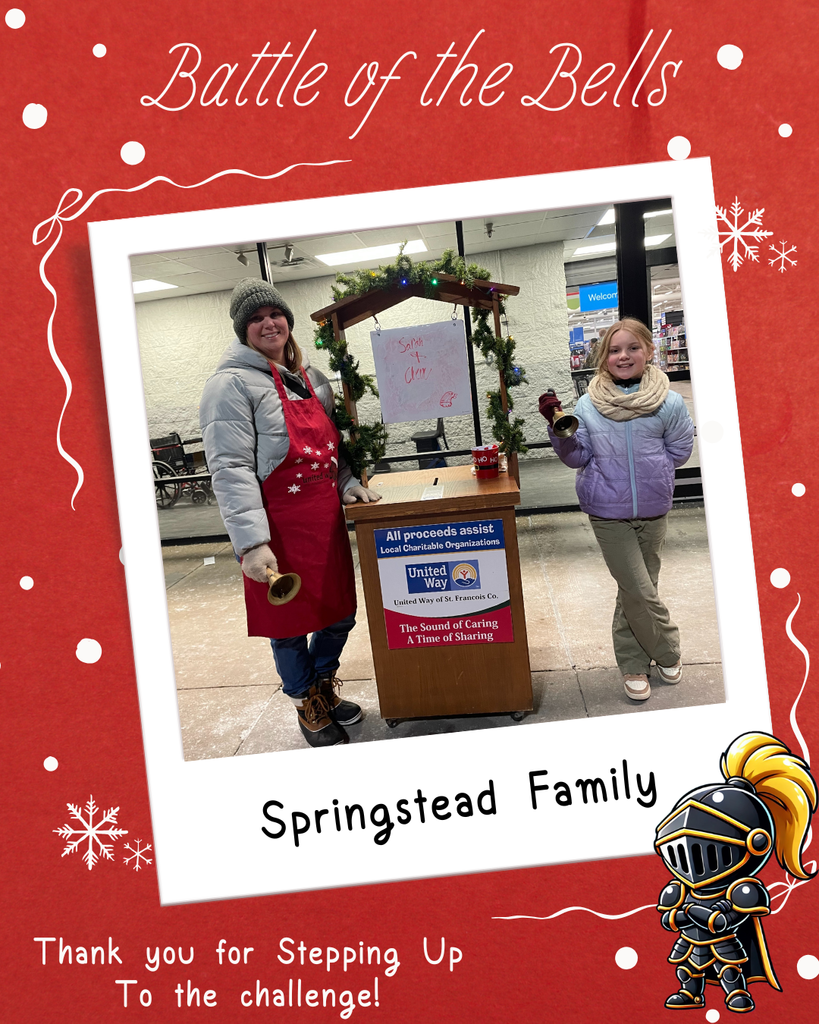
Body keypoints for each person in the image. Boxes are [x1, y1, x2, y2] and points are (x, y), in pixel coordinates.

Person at [200, 278, 380, 747]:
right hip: (274, 526)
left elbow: (325, 450)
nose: (267, 323)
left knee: (338, 612)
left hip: (323, 522)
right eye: (255, 319)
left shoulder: (308, 379)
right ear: (243, 330)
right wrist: (252, 544)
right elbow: (231, 468)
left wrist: (346, 484)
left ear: (288, 321)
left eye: (273, 314)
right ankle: (306, 702)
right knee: (289, 625)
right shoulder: (229, 385)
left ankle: (322, 682)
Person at [539, 316, 694, 702]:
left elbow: (679, 451)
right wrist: (558, 431)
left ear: (649, 351)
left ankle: (633, 664)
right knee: (639, 588)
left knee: (638, 589)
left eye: (632, 348)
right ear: (604, 357)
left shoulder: (670, 402)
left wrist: (652, 472)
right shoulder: (588, 405)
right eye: (614, 350)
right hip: (608, 511)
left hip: (654, 508)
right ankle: (667, 650)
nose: (623, 356)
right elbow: (578, 458)